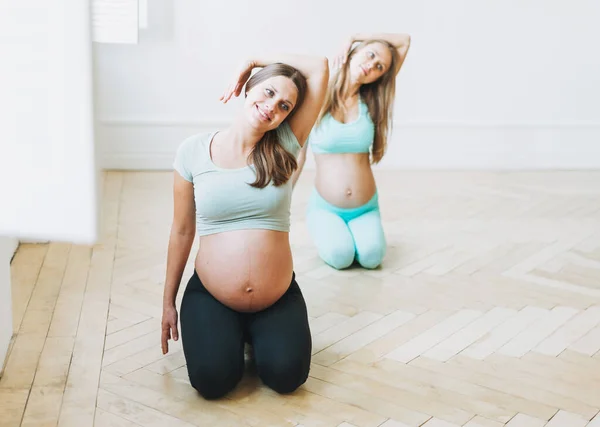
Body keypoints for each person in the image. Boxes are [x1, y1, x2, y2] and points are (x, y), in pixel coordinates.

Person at [161, 54, 329, 400]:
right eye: (267, 92)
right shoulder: (193, 151)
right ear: (246, 87)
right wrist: (168, 302)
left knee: (287, 377)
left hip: (276, 295)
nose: (272, 107)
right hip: (212, 293)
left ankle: (253, 334)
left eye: (284, 105)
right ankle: (230, 330)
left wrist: (257, 58)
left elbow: (320, 66)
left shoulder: (285, 143)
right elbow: (181, 231)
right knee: (212, 382)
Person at [291, 33, 411, 270]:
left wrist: (356, 36)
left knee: (371, 257)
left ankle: (358, 233)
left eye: (380, 67)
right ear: (353, 53)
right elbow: (298, 155)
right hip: (326, 207)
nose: (372, 66)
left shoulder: (372, 101)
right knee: (341, 256)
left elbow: (404, 41)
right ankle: (322, 225)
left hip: (365, 208)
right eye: (370, 54)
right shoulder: (316, 97)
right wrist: (281, 200)